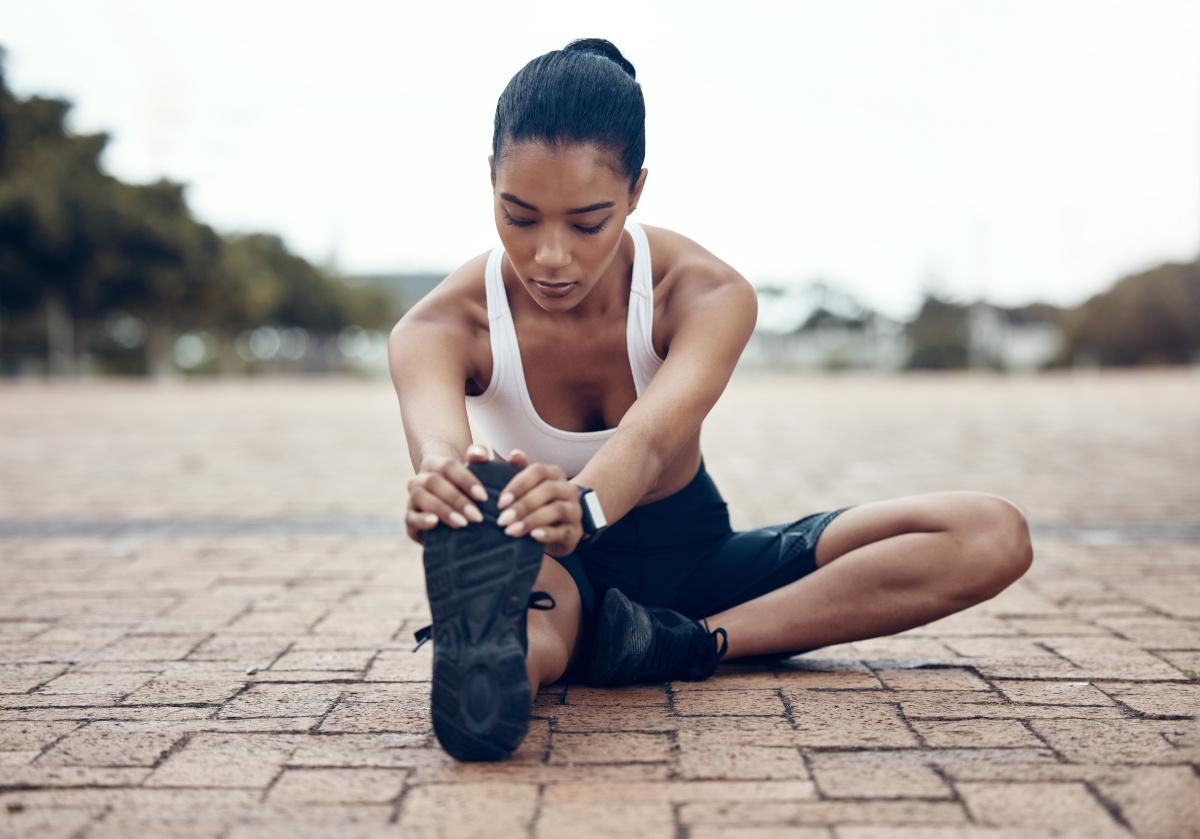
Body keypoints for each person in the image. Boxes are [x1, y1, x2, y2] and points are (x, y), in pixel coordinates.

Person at [387, 38, 1033, 762]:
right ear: (490, 183)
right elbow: (440, 446)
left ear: (636, 191)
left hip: (694, 560)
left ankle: (688, 642)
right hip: (553, 567)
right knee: (532, 615)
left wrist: (585, 504)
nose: (550, 256)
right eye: (520, 215)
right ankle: (502, 662)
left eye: (588, 222)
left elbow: (652, 440)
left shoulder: (704, 293)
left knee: (988, 532)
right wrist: (444, 486)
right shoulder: (439, 326)